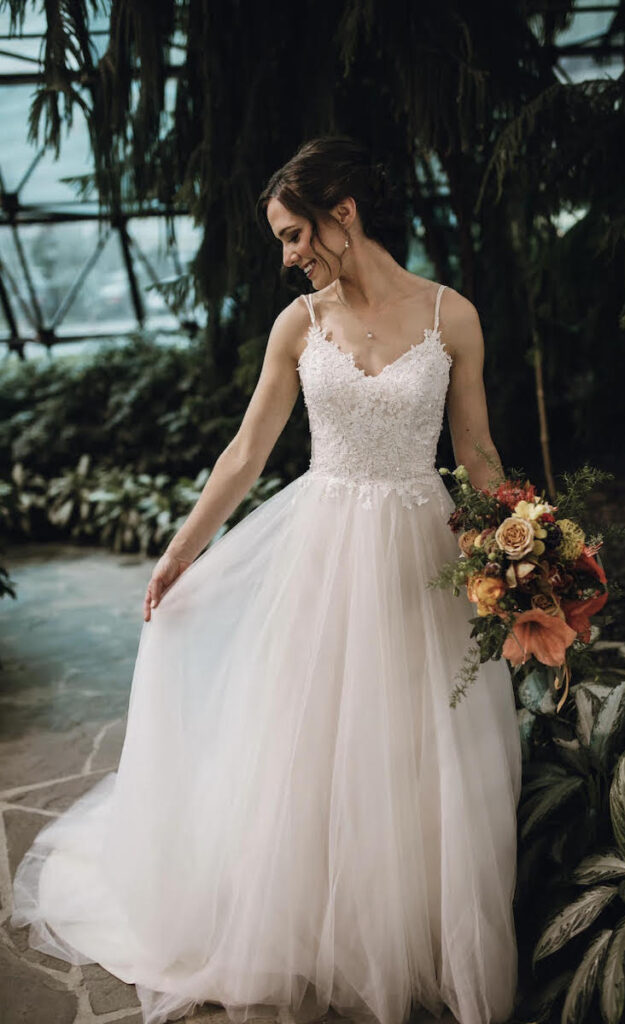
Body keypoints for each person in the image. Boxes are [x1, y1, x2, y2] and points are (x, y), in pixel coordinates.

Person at [11, 135, 522, 1024]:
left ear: (343, 214)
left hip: (419, 557)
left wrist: (529, 548)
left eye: (295, 235)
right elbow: (246, 454)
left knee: (412, 749)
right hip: (320, 553)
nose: (289, 256)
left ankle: (403, 930)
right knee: (309, 742)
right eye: (282, 240)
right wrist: (180, 554)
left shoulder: (452, 317)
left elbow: (475, 455)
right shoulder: (301, 323)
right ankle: (297, 928)